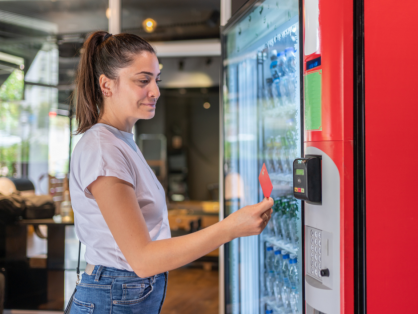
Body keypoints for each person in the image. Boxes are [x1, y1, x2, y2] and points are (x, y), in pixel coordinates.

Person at [69, 31, 273, 314]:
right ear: (106, 85)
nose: (155, 91)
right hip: (114, 295)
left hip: (120, 292)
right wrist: (230, 228)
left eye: (156, 80)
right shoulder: (104, 149)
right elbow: (142, 259)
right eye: (143, 80)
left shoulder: (119, 142)